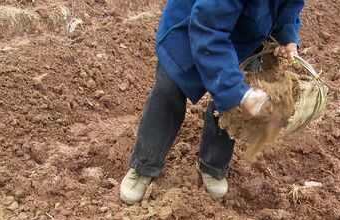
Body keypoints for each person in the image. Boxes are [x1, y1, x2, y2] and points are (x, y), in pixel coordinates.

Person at [120, 0, 304, 205]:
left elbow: (290, 5)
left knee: (231, 105)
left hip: (245, 36)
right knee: (169, 91)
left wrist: (287, 36)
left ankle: (213, 166)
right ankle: (144, 165)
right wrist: (237, 92)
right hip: (193, 27)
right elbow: (208, 30)